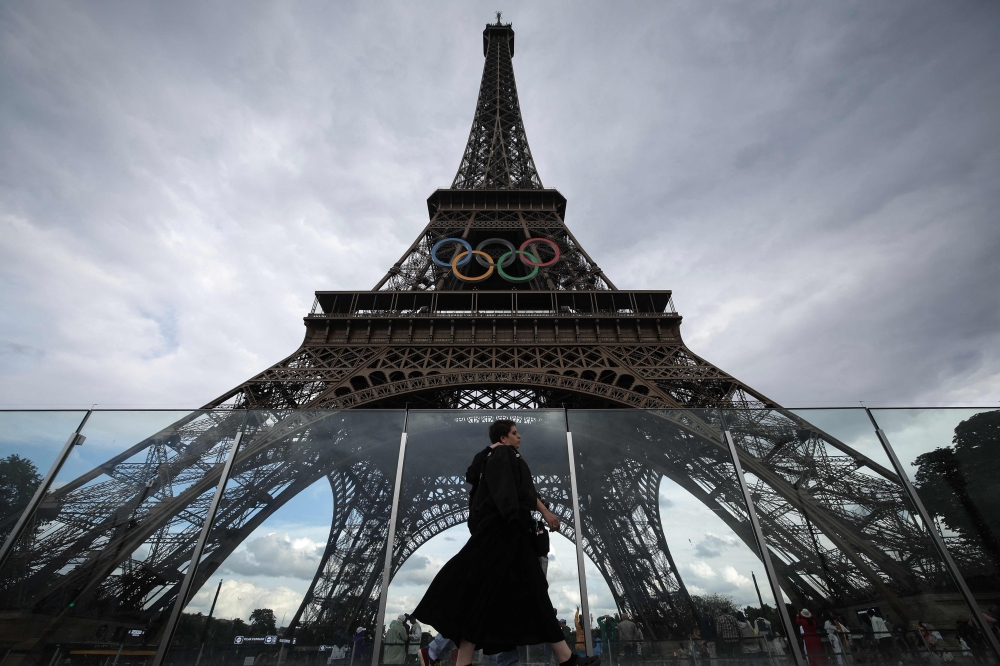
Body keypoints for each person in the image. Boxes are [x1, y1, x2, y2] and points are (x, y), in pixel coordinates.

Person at [412, 420, 599, 666]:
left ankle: (564, 659)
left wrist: (544, 512)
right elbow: (506, 491)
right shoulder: (501, 455)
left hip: (508, 531)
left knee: (492, 596)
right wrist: (516, 520)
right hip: (507, 532)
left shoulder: (511, 457)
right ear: (503, 438)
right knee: (527, 593)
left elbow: (525, 491)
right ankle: (567, 660)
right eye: (514, 433)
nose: (519, 436)